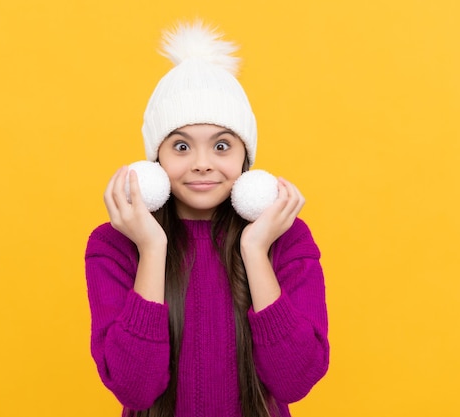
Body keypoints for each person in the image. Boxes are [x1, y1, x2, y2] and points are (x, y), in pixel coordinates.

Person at [85, 20, 329, 417]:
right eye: (181, 145)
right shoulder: (114, 244)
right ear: (154, 160)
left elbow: (294, 380)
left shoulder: (287, 238)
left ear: (246, 159)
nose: (202, 164)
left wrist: (256, 249)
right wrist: (151, 248)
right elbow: (136, 389)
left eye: (221, 145)